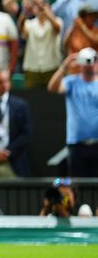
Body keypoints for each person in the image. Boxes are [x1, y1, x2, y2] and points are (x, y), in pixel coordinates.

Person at [48, 47, 98, 177]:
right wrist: (65, 64)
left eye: (94, 60)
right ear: (80, 63)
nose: (91, 64)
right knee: (77, 186)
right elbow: (52, 87)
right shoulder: (72, 81)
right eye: (87, 61)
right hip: (77, 144)